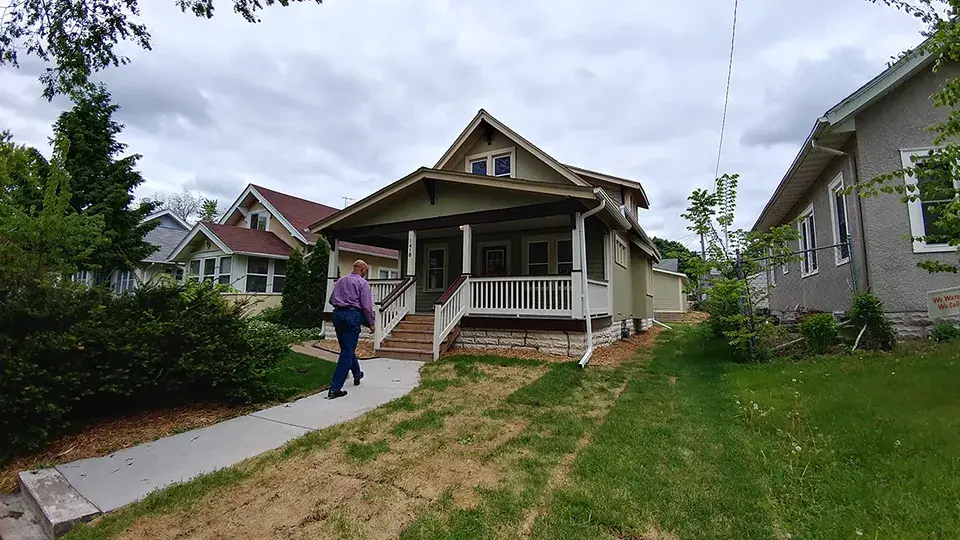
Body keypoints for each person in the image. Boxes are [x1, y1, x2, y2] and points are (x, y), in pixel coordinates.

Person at [327, 259, 375, 399]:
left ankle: (357, 374)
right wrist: (371, 323)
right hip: (351, 316)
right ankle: (335, 388)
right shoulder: (362, 283)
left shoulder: (341, 281)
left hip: (337, 315)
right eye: (365, 270)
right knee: (347, 352)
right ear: (363, 270)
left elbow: (331, 300)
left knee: (347, 348)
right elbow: (366, 306)